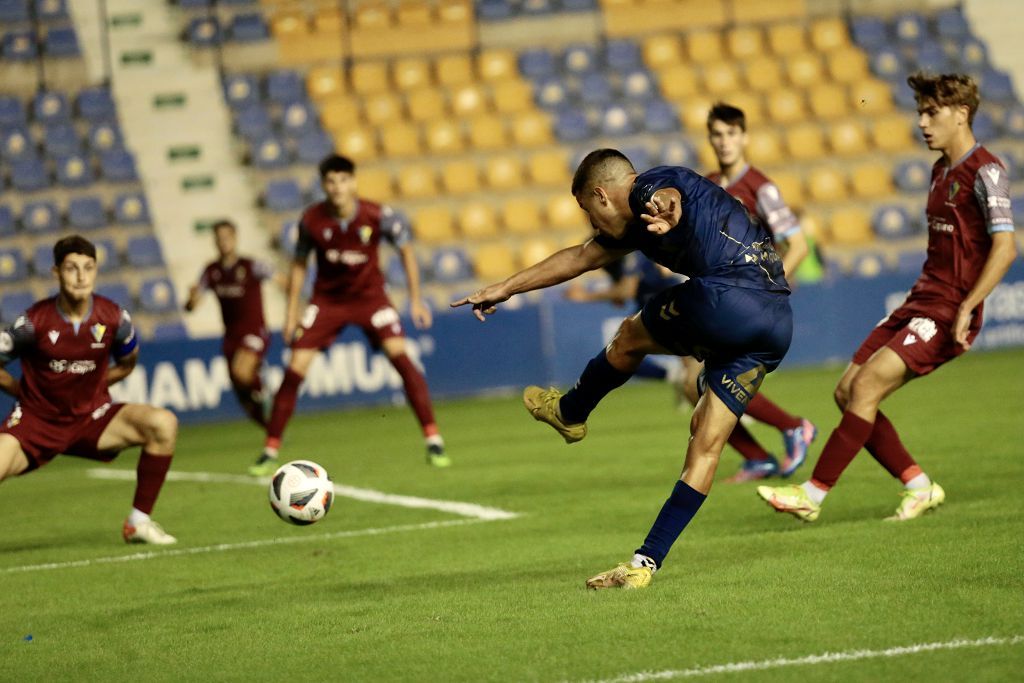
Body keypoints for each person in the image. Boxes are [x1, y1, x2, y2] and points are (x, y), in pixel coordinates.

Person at [452, 149, 793, 589]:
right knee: (705, 444)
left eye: (588, 210)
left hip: (727, 298)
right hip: (775, 324)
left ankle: (571, 412)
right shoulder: (633, 227)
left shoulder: (646, 189)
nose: (592, 223)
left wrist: (668, 212)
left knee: (629, 335)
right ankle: (643, 564)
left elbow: (664, 195)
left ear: (601, 195)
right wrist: (506, 287)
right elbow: (578, 258)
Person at [758, 72, 1017, 523]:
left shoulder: (987, 171)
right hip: (920, 300)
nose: (921, 122)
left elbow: (1006, 245)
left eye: (931, 112)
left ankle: (812, 495)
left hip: (949, 308)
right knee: (846, 392)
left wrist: (970, 304)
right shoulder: (940, 171)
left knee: (866, 387)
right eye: (919, 112)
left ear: (961, 114)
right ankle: (919, 486)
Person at [249, 154, 450, 475]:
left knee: (402, 358)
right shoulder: (311, 220)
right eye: (331, 181)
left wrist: (415, 299)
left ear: (353, 182)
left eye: (343, 180)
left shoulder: (378, 215)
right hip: (327, 302)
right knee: (295, 367)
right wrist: (291, 315)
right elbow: (299, 265)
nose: (337, 187)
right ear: (323, 185)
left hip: (371, 299)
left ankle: (433, 439)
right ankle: (270, 448)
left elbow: (407, 250)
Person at [0, 235, 179, 544]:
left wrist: (93, 385)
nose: (81, 276)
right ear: (56, 273)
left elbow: (126, 362)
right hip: (36, 422)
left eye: (88, 267)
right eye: (71, 268)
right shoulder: (33, 322)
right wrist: (21, 391)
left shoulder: (115, 319)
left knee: (163, 423)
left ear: (96, 270)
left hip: (90, 419)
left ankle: (138, 522)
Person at [683, 102, 818, 483]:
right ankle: (763, 452)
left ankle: (791, 431)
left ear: (744, 137)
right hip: (720, 300)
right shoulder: (707, 185)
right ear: (709, 138)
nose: (724, 142)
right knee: (699, 384)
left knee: (711, 380)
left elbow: (798, 245)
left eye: (731, 134)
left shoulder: (760, 188)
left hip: (750, 304)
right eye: (717, 135)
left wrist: (770, 287)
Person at [184, 219, 272, 427]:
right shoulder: (211, 270)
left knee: (242, 373)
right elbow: (191, 305)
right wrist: (191, 298)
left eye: (227, 237)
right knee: (242, 394)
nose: (224, 242)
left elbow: (280, 279)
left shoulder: (252, 265)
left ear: (235, 238)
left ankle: (262, 386)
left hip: (254, 331)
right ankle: (269, 429)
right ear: (214, 242)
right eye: (219, 238)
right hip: (231, 336)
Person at [564, 252, 686, 394]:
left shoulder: (635, 253)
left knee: (621, 347)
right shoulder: (624, 260)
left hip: (671, 304)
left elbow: (626, 291)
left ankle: (679, 376)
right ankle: (675, 374)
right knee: (621, 349)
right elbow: (623, 294)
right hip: (652, 307)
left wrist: (586, 296)